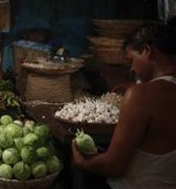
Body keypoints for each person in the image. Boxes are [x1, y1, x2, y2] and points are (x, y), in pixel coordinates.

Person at [72, 23, 176, 188]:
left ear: (147, 51)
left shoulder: (142, 94)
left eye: (131, 60)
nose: (133, 69)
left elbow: (113, 166)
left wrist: (82, 163)